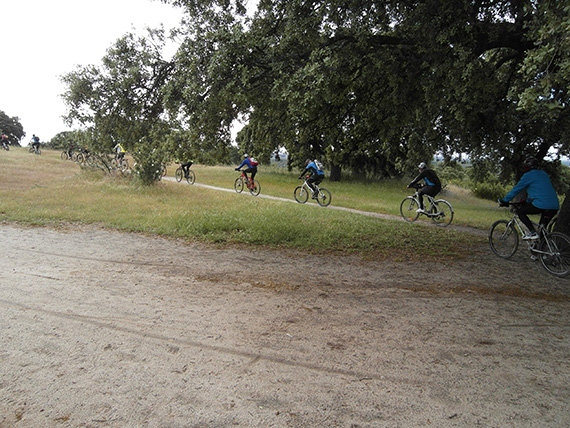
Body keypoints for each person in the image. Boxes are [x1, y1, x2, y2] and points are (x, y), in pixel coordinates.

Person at [499, 156, 559, 240]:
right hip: (554, 205)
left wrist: (505, 200)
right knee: (542, 230)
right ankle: (541, 251)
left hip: (541, 204)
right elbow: (540, 191)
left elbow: (516, 189)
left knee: (520, 212)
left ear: (526, 167)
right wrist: (526, 201)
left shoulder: (528, 175)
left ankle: (532, 232)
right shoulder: (543, 174)